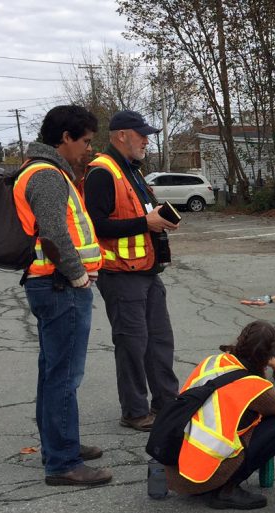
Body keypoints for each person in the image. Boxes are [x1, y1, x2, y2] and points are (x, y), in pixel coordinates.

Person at [15, 105, 110, 486]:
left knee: (53, 371)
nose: (88, 148)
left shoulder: (40, 170)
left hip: (50, 284)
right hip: (60, 286)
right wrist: (78, 277)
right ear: (66, 138)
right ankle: (63, 461)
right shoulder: (48, 176)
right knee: (64, 375)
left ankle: (60, 443)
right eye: (85, 141)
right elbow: (54, 233)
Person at [83, 110, 180, 432]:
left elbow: (140, 215)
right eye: (141, 134)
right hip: (120, 274)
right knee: (133, 346)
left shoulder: (132, 171)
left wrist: (158, 221)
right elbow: (96, 225)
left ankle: (167, 404)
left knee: (160, 341)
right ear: (122, 135)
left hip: (146, 271)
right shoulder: (102, 172)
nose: (146, 140)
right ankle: (135, 411)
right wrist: (145, 222)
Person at [166, 320, 275, 509]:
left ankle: (220, 481)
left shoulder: (212, 362)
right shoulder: (254, 387)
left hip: (174, 464)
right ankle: (226, 490)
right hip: (203, 477)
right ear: (269, 354)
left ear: (240, 340)